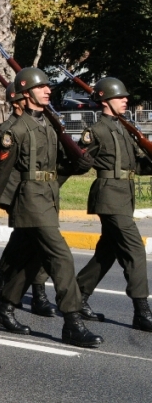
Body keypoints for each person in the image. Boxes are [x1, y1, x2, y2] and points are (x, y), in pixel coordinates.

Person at [0, 67, 102, 348]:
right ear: (25, 95)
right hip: (30, 201)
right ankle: (72, 322)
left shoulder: (48, 126)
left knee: (30, 261)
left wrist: (78, 164)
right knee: (61, 257)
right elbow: (2, 170)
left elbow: (57, 165)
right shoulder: (14, 130)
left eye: (48, 87)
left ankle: (4, 311)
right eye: (41, 87)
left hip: (48, 199)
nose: (48, 90)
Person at [75, 77, 152, 331]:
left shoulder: (124, 129)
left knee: (107, 252)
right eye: (121, 97)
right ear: (106, 101)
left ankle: (77, 296)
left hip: (124, 195)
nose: (126, 100)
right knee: (135, 250)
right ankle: (142, 312)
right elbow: (79, 159)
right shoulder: (96, 131)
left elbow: (135, 166)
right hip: (109, 197)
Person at [0, 85, 55, 317]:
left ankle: (2, 282)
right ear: (17, 101)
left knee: (24, 240)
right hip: (14, 192)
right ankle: (38, 295)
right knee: (37, 241)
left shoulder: (42, 125)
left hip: (35, 192)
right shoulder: (7, 130)